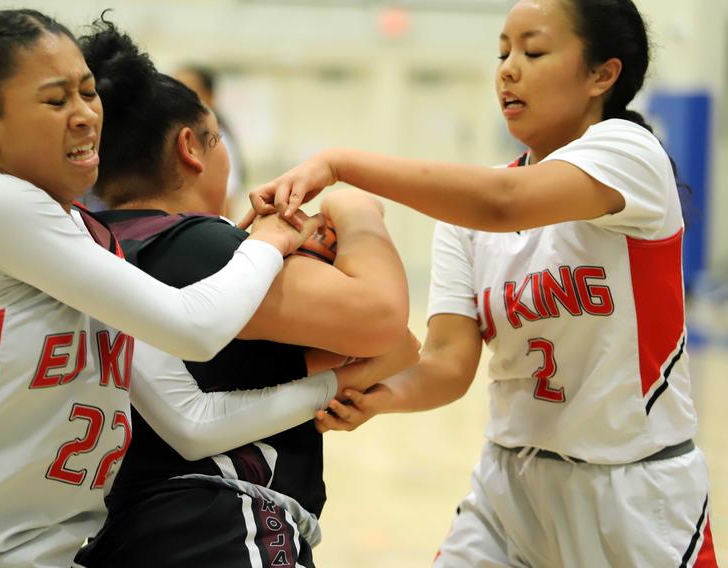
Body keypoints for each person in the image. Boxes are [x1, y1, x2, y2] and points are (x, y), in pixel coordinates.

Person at [0, 9, 326, 568]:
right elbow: (196, 328)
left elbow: (190, 424)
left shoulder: (90, 241)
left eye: (88, 92)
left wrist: (335, 387)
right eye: (55, 101)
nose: (83, 115)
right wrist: (270, 240)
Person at [249, 0, 719, 566]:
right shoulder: (466, 219)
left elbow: (502, 204)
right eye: (502, 52)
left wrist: (341, 164)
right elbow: (447, 363)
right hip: (509, 489)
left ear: (603, 74)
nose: (508, 69)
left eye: (534, 51)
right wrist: (373, 398)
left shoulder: (630, 152)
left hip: (631, 494)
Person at [72, 20, 418, 567]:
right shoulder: (193, 245)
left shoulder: (88, 245)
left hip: (124, 528)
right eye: (217, 140)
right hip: (220, 522)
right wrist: (355, 208)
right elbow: (385, 323)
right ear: (192, 149)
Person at [175, 63, 247, 216]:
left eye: (187, 90)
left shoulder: (217, 139)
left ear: (209, 96)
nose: (177, 99)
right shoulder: (174, 137)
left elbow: (227, 202)